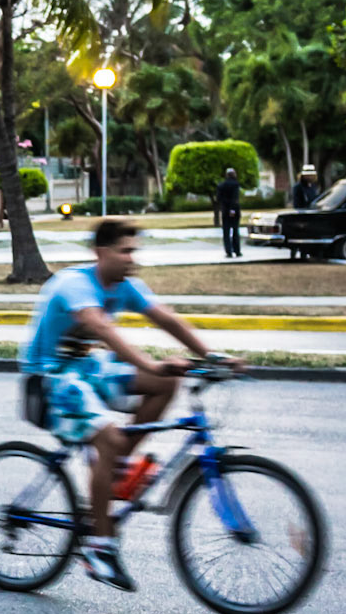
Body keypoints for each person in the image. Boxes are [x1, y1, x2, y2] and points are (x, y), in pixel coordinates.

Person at [19, 219, 215, 592]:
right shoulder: (75, 285)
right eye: (125, 251)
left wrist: (214, 356)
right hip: (49, 377)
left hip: (86, 368)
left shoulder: (124, 286)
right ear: (101, 252)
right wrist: (151, 362)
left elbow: (165, 318)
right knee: (108, 438)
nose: (132, 259)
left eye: (134, 251)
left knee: (166, 382)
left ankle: (116, 467)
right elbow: (104, 329)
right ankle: (99, 546)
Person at [214, 165, 242, 258]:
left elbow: (218, 198)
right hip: (234, 211)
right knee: (235, 231)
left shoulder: (221, 185)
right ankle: (237, 251)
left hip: (225, 211)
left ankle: (228, 251)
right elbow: (235, 198)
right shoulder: (235, 184)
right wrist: (233, 209)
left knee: (226, 232)